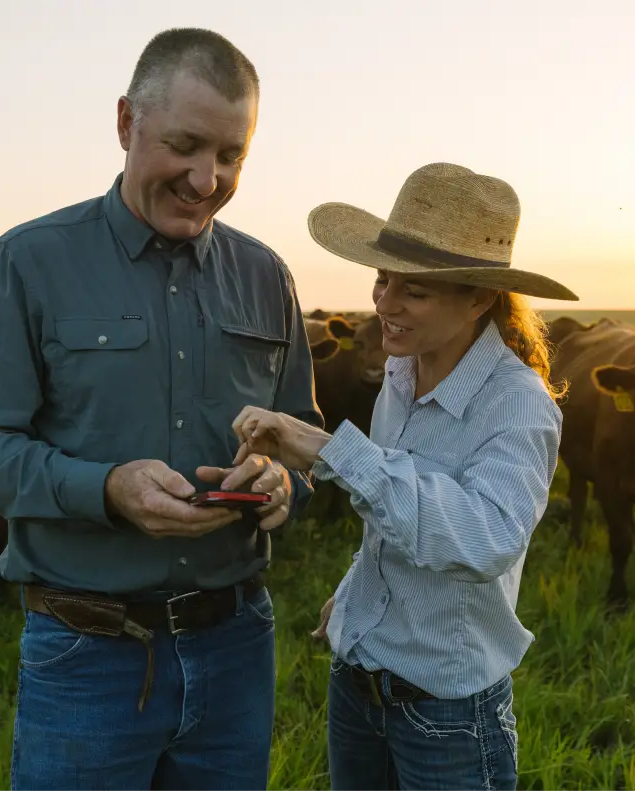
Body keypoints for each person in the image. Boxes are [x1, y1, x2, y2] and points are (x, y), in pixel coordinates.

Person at [0, 27, 323, 791]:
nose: (207, 179)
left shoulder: (267, 275)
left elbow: (300, 447)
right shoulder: (28, 262)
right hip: (87, 652)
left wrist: (280, 484)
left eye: (232, 155)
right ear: (124, 123)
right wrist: (105, 488)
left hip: (237, 645)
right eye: (185, 145)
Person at [231, 162, 579, 791]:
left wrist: (329, 448)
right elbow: (402, 506)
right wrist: (360, 587)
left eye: (413, 291)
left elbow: (486, 541)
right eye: (382, 278)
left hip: (446, 714)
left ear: (478, 298)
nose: (385, 304)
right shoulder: (400, 372)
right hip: (358, 686)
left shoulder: (518, 402)